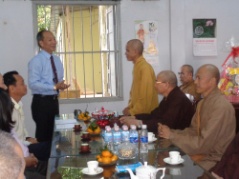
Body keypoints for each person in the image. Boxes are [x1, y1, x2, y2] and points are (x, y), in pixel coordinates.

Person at [158, 64, 236, 171]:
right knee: (162, 160)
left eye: (199, 78)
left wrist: (172, 136)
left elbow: (203, 144)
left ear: (212, 81)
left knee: (171, 169)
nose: (195, 82)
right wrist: (171, 133)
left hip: (215, 161)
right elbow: (193, 132)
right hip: (200, 153)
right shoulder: (202, 103)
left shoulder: (221, 106)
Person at [120, 70, 194, 134]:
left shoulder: (178, 99)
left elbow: (166, 123)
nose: (155, 85)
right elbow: (153, 115)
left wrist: (139, 123)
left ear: (166, 84)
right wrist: (134, 117)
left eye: (157, 82)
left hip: (178, 137)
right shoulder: (168, 97)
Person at [28, 29, 70, 142]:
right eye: (50, 40)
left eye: (54, 39)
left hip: (53, 101)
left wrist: (61, 86)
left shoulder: (57, 60)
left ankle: (52, 159)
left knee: (54, 134)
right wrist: (53, 87)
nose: (54, 42)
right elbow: (33, 84)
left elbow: (58, 81)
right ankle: (42, 160)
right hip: (41, 103)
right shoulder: (36, 61)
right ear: (41, 43)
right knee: (43, 136)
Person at [4, 71, 51, 161]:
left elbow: (20, 133)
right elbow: (11, 141)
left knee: (51, 145)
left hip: (24, 144)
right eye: (22, 83)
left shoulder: (18, 105)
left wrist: (29, 138)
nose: (25, 86)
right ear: (12, 88)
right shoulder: (8, 109)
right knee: (51, 147)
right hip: (17, 150)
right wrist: (28, 143)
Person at [0, 88, 46, 178]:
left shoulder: (6, 127)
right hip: (20, 166)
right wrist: (25, 160)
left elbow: (19, 141)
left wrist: (28, 152)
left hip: (26, 158)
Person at [122, 39, 158, 116]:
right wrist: (130, 107)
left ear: (135, 52)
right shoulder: (137, 66)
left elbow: (145, 96)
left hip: (146, 114)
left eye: (127, 50)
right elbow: (134, 91)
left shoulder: (145, 68)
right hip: (137, 111)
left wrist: (132, 112)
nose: (125, 53)